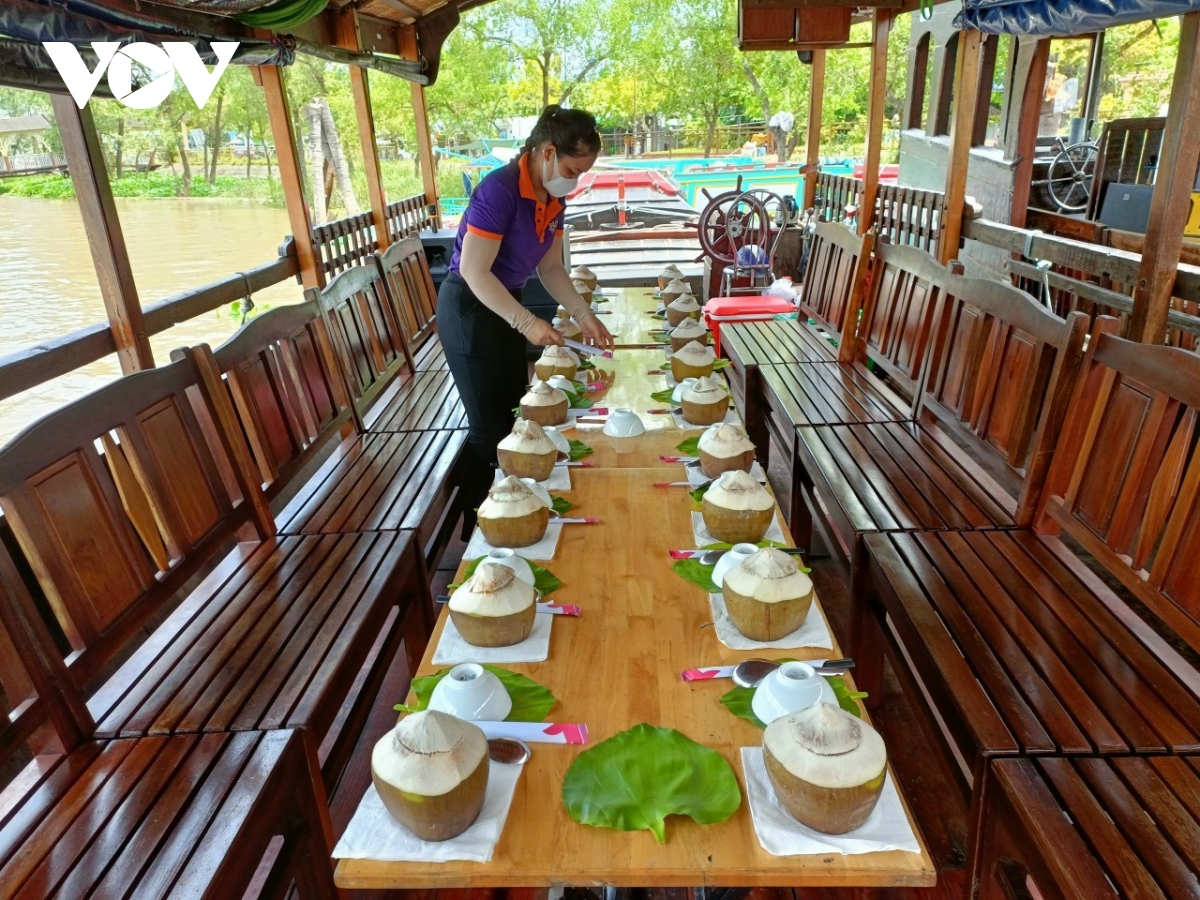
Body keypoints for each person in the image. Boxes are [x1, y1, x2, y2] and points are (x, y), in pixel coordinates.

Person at [439, 105, 614, 526]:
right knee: (489, 426)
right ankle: (478, 534)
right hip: (469, 308)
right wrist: (527, 323)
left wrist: (583, 314)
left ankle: (516, 511)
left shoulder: (554, 199)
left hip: (504, 305)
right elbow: (473, 270)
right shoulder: (499, 191)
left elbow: (550, 268)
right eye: (572, 170)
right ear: (547, 152)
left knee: (512, 416)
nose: (573, 181)